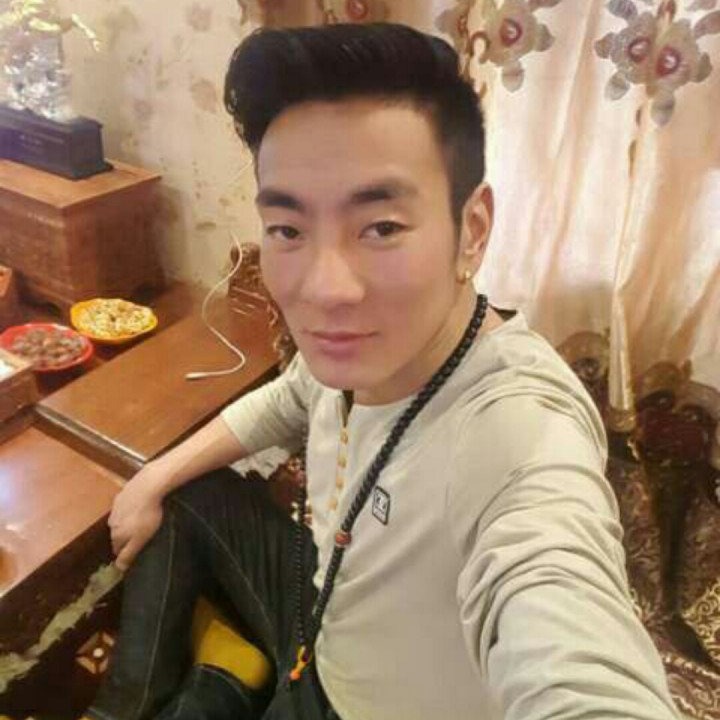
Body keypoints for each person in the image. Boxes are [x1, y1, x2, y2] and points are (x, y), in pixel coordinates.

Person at [86, 22, 680, 720]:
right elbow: (290, 398)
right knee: (182, 493)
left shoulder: (516, 429)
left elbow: (566, 620)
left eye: (382, 228)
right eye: (289, 230)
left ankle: (223, 684)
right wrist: (153, 477)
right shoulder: (359, 349)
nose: (325, 289)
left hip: (359, 705)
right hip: (319, 607)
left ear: (473, 230)